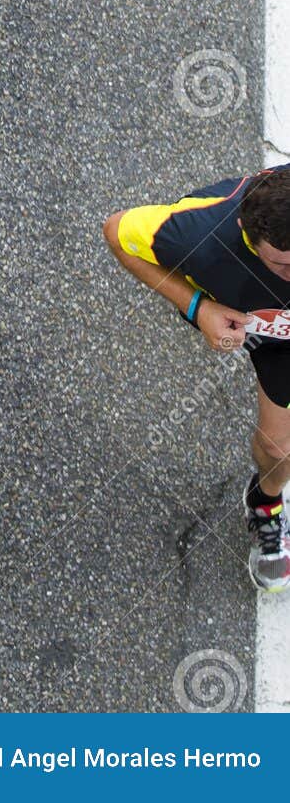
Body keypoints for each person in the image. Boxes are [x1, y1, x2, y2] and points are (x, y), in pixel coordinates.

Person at [104, 167, 290, 592]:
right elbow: (116, 233)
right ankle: (265, 505)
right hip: (259, 327)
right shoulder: (196, 233)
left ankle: (267, 495)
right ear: (247, 233)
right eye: (284, 266)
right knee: (278, 446)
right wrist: (197, 309)